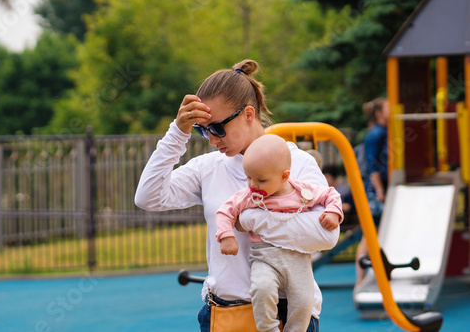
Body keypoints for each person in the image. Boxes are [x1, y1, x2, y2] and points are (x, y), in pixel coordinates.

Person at [134, 59, 339, 332]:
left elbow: (326, 235)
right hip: (223, 313)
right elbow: (147, 197)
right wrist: (177, 133)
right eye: (202, 129)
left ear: (249, 115)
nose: (211, 139)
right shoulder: (209, 167)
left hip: (285, 313)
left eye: (217, 128)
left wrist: (253, 220)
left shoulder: (296, 163)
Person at [216, 134, 343, 332]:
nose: (253, 185)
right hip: (265, 257)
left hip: (297, 259)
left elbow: (330, 194)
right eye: (248, 177)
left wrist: (333, 212)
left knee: (304, 300)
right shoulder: (250, 195)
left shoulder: (302, 192)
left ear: (284, 176)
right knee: (261, 288)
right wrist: (226, 236)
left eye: (261, 180)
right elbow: (226, 210)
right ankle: (269, 329)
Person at [355, 97, 389, 285]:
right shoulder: (376, 134)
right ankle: (360, 280)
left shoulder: (384, 132)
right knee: (370, 234)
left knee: (376, 233)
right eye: (388, 108)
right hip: (374, 192)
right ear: (378, 113)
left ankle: (370, 277)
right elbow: (371, 165)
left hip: (378, 189)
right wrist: (379, 190)